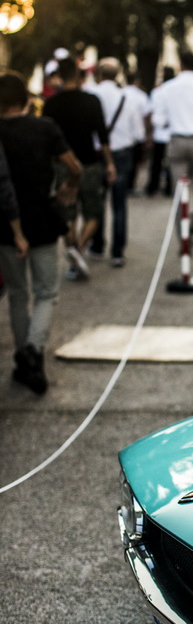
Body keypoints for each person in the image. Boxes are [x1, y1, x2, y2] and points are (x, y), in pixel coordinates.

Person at [0, 71, 82, 393]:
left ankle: (24, 356)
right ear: (26, 99)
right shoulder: (44, 128)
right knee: (47, 291)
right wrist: (69, 187)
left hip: (6, 224)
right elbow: (73, 166)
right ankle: (35, 350)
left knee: (18, 294)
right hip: (44, 218)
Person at [42, 56, 117, 280]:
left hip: (63, 165)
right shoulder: (91, 101)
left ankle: (74, 252)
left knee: (68, 213)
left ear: (58, 77)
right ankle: (81, 249)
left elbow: (46, 140)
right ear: (78, 74)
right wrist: (110, 163)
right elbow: (102, 136)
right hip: (90, 163)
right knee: (94, 212)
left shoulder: (51, 104)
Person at [152, 50, 193, 249]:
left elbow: (158, 120)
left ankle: (183, 240)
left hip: (178, 141)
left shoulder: (168, 88)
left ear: (181, 65)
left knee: (179, 193)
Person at [93, 57, 147, 267]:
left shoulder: (92, 94)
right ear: (117, 75)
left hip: (97, 154)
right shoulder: (128, 98)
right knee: (119, 204)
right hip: (123, 153)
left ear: (99, 74)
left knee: (98, 203)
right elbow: (138, 134)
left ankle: (97, 245)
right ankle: (117, 252)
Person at [146, 66, 175, 197]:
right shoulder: (175, 91)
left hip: (160, 131)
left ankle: (153, 186)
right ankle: (169, 187)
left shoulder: (157, 92)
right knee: (170, 162)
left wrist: (149, 132)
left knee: (156, 162)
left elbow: (152, 112)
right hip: (172, 132)